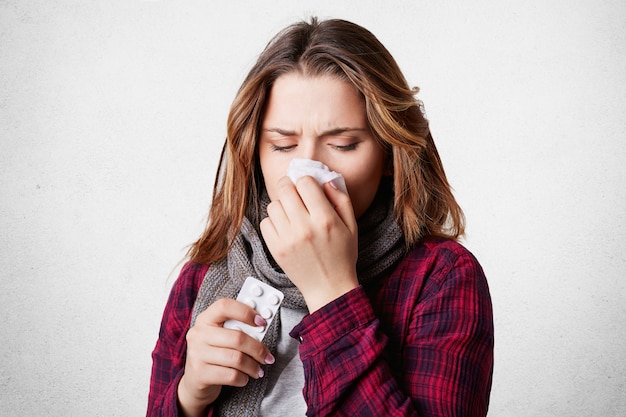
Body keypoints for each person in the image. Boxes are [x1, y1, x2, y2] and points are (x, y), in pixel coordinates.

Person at [147, 17, 494, 417]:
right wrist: (189, 396)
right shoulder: (201, 278)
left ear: (388, 154)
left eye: (343, 144)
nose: (306, 170)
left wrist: (332, 290)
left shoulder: (442, 277)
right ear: (254, 154)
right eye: (283, 144)